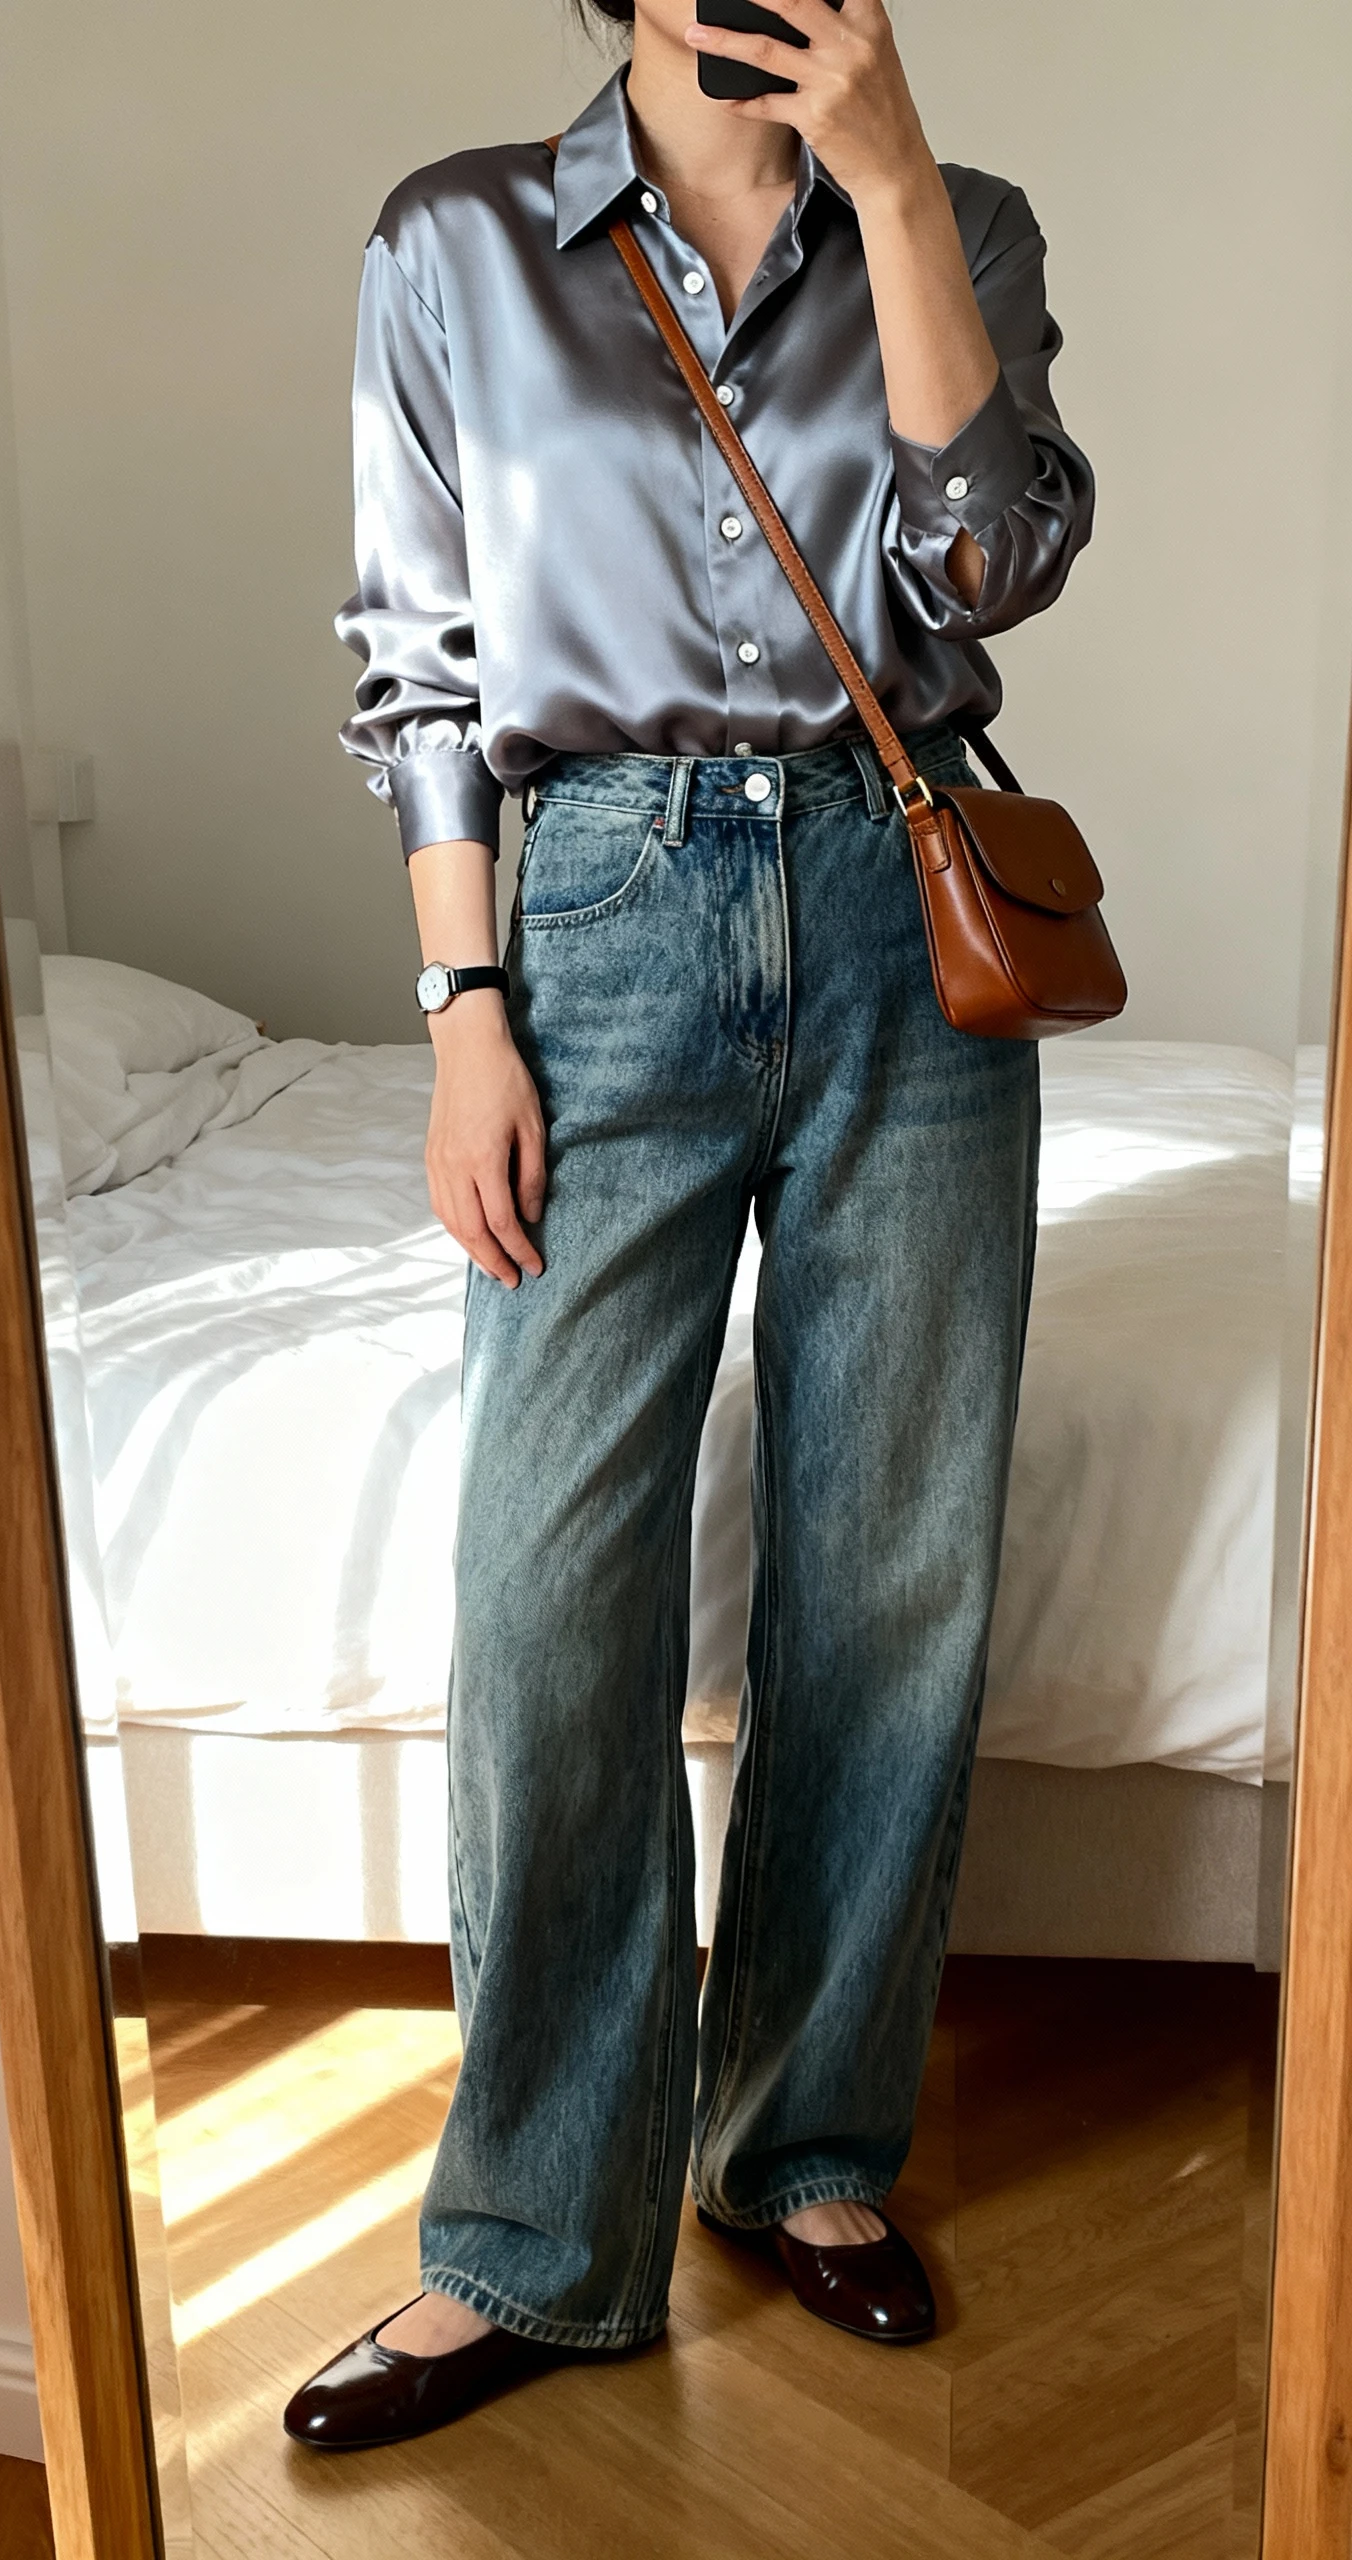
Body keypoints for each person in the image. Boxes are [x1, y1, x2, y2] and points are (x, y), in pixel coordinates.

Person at [285, 0, 1092, 2451]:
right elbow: (418, 654)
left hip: (902, 905)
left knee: (892, 1564)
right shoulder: (459, 241)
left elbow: (997, 557)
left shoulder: (963, 222)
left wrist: (900, 177)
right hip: (603, 914)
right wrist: (458, 1005)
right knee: (549, 1583)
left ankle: (804, 2147)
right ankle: (533, 2232)